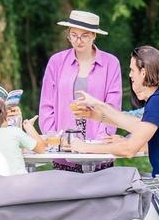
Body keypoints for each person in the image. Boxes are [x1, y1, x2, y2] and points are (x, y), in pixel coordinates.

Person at [70, 46, 159, 178]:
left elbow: (129, 150)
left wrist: (85, 148)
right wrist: (95, 114)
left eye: (132, 70)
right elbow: (137, 125)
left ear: (143, 72)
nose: (130, 74)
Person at [38, 10, 122, 140]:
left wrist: (101, 141)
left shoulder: (111, 63)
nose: (78, 41)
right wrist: (55, 139)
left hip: (98, 150)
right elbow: (46, 105)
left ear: (94, 35)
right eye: (74, 35)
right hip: (63, 148)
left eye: (85, 36)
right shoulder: (56, 62)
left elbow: (112, 106)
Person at [0, 99, 46, 175]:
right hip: (19, 183)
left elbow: (16, 150)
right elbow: (42, 149)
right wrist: (30, 128)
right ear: (3, 116)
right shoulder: (14, 132)